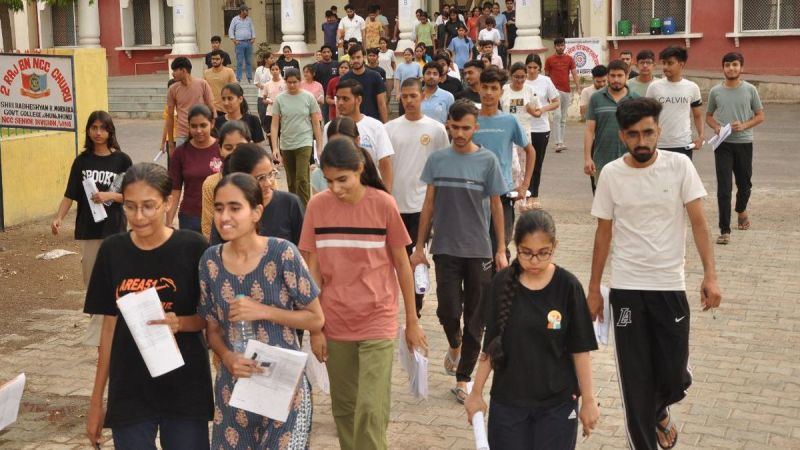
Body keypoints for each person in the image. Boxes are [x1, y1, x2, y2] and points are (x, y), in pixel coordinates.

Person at [587, 97, 722, 450]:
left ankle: (661, 408)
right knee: (634, 382)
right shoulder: (611, 174)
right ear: (622, 136)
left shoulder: (679, 167)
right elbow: (603, 233)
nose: (642, 141)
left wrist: (710, 275)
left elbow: (699, 223)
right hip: (627, 290)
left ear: (659, 131)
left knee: (675, 375)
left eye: (648, 133)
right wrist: (594, 289)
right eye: (633, 134)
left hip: (669, 286)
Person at [300, 137, 428, 450]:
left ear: (359, 169)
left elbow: (402, 265)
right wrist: (315, 329)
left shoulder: (383, 204)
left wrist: (412, 322)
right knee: (344, 408)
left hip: (377, 319)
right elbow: (312, 271)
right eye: (329, 180)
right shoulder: (317, 207)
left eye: (342, 179)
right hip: (334, 320)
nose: (335, 188)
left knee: (371, 408)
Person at [84, 162, 213, 449]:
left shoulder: (193, 247)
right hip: (130, 388)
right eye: (130, 207)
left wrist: (181, 323)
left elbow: (210, 319)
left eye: (148, 206)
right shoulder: (112, 250)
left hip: (185, 387)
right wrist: (96, 402)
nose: (138, 216)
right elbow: (108, 330)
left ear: (167, 203)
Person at [199, 172, 323, 449]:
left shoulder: (282, 253)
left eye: (235, 208)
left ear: (256, 212)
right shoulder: (210, 262)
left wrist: (263, 311)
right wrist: (227, 356)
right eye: (219, 208)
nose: (224, 217)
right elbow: (212, 330)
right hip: (235, 389)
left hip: (285, 390)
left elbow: (316, 319)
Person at [465, 210, 600, 448]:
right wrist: (476, 392)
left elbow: (580, 350)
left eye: (543, 253)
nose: (534, 261)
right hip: (508, 405)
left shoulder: (568, 287)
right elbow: (491, 346)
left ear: (555, 246)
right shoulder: (501, 283)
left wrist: (588, 400)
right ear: (516, 247)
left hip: (557, 407)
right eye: (526, 253)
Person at [410, 100, 507, 403]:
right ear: (448, 126)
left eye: (467, 128)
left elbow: (496, 206)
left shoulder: (488, 161)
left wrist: (501, 249)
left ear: (475, 128)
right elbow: (428, 205)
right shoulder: (437, 160)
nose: (461, 133)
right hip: (445, 248)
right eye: (456, 127)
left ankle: (464, 378)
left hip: (479, 250)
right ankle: (454, 345)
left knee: (476, 318)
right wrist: (419, 247)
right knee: (448, 310)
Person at [52, 111, 132, 346]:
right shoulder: (82, 161)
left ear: (110, 131)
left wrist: (110, 195)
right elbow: (70, 194)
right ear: (88, 130)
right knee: (91, 282)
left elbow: (131, 195)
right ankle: (101, 330)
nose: (98, 132)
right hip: (89, 229)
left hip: (114, 230)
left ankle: (108, 334)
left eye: (103, 128)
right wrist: (59, 217)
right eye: (94, 128)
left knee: (114, 279)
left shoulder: (122, 161)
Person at [386, 78, 450, 315]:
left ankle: (416, 306)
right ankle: (395, 304)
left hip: (423, 205)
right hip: (395, 205)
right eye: (405, 96)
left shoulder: (436, 129)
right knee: (397, 259)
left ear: (422, 96)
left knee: (416, 256)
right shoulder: (389, 129)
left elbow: (443, 165)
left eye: (413, 95)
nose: (409, 100)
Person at [472, 68, 534, 262]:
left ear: (501, 91)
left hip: (502, 193)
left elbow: (530, 151)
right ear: (478, 88)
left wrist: (524, 185)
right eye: (485, 87)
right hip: (474, 194)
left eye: (494, 88)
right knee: (475, 249)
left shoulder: (509, 121)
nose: (488, 92)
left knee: (500, 247)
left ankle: (500, 279)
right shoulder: (470, 120)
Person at [706, 52, 765, 245]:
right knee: (724, 187)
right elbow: (709, 116)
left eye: (735, 64)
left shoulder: (750, 90)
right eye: (727, 65)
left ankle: (741, 209)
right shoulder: (715, 91)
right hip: (722, 144)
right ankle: (724, 230)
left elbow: (760, 115)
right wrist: (716, 127)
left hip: (744, 143)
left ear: (741, 67)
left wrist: (745, 125)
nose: (731, 68)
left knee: (745, 184)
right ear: (722, 68)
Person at [210, 144, 305, 245]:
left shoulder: (290, 203)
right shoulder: (226, 213)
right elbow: (218, 251)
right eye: (260, 178)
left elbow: (305, 249)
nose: (268, 183)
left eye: (270, 174)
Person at [326, 79, 394, 189]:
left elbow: (385, 163)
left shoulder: (376, 126)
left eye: (345, 99)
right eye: (338, 98)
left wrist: (387, 193)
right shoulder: (329, 127)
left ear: (358, 100)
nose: (340, 103)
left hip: (371, 190)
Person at [583, 60, 637, 195]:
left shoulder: (635, 100)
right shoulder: (596, 98)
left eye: (620, 75)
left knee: (628, 199)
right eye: (612, 76)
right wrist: (587, 158)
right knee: (604, 201)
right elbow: (589, 130)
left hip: (630, 160)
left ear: (627, 76)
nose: (616, 79)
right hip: (602, 160)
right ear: (608, 76)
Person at [271, 68, 323, 206]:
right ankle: (294, 207)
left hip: (304, 142)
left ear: (300, 81)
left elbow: (316, 123)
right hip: (286, 143)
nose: (292, 85)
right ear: (285, 82)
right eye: (289, 82)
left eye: (295, 82)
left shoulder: (309, 97)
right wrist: (275, 148)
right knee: (292, 180)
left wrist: (319, 146)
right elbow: (274, 125)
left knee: (302, 178)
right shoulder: (280, 99)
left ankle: (305, 209)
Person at [166, 105, 221, 232]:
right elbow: (175, 190)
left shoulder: (222, 149)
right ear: (188, 126)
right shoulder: (180, 152)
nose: (198, 130)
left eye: (203, 125)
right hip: (190, 217)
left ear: (212, 124)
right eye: (194, 126)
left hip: (218, 215)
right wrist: (168, 223)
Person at [645, 46, 704, 160]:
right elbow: (646, 115)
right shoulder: (654, 87)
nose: (665, 67)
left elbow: (698, 115)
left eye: (670, 63)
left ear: (681, 64)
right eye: (664, 63)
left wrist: (701, 136)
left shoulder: (692, 87)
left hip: (683, 144)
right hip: (659, 144)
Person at [200, 120, 252, 239]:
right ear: (220, 149)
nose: (235, 152)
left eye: (240, 147)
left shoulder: (262, 179)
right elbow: (208, 228)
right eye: (228, 148)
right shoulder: (211, 184)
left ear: (250, 145)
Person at [501, 62, 540, 211]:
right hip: (507, 135)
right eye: (516, 77)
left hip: (524, 134)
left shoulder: (530, 90)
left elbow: (537, 113)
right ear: (511, 76)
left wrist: (531, 110)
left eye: (523, 77)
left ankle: (522, 201)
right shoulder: (503, 90)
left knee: (523, 168)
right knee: (514, 167)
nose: (520, 80)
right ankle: (510, 194)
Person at [522, 54, 560, 210]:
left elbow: (556, 102)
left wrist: (542, 109)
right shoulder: (521, 81)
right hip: (523, 128)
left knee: (537, 163)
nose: (532, 71)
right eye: (529, 67)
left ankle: (534, 195)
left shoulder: (546, 81)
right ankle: (524, 195)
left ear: (540, 68)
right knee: (523, 163)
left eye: (535, 68)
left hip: (541, 128)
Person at [166, 57, 216, 155]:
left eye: (175, 70)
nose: (173, 74)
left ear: (183, 70)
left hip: (202, 132)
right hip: (182, 134)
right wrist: (171, 144)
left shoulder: (202, 84)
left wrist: (211, 129)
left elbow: (212, 108)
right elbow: (170, 116)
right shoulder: (172, 89)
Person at [545, 37, 580, 153]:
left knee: (563, 117)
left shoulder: (569, 59)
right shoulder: (549, 60)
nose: (560, 47)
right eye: (558, 45)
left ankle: (561, 141)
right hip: (554, 91)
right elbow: (546, 76)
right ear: (554, 47)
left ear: (564, 46)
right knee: (557, 115)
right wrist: (546, 92)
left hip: (566, 90)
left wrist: (578, 87)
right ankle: (557, 143)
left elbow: (574, 73)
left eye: (562, 45)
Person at [312, 116, 361, 194]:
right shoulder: (319, 174)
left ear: (357, 141)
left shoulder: (369, 172)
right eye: (334, 144)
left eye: (345, 145)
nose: (336, 188)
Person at [340, 45, 389, 123]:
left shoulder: (375, 76)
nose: (355, 60)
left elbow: (381, 104)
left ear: (364, 57)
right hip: (351, 123)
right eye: (353, 58)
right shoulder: (344, 79)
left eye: (358, 57)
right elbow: (341, 104)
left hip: (372, 121)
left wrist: (385, 125)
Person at [228, 4, 256, 83]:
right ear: (241, 11)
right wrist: (234, 40)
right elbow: (231, 30)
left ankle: (249, 77)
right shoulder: (235, 19)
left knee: (249, 61)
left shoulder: (249, 19)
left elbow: (252, 29)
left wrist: (253, 38)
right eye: (246, 10)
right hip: (239, 43)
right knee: (239, 61)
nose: (247, 12)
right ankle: (238, 78)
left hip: (248, 42)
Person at [262, 62, 287, 144]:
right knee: (272, 136)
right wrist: (267, 101)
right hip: (271, 112)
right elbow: (264, 99)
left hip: (283, 113)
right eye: (272, 70)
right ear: (270, 71)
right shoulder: (267, 84)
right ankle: (274, 151)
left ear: (280, 70)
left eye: (276, 69)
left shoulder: (285, 83)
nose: (275, 71)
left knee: (283, 136)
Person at [314, 45, 339, 122]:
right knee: (326, 117)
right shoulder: (317, 66)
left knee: (336, 117)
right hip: (324, 96)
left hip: (335, 95)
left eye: (328, 52)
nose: (326, 54)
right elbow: (315, 81)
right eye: (324, 52)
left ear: (331, 53)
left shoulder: (337, 64)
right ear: (321, 54)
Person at [253, 54, 272, 131]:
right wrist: (261, 86)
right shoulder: (259, 69)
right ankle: (267, 132)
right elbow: (256, 82)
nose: (272, 59)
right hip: (262, 96)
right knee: (262, 115)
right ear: (266, 59)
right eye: (271, 58)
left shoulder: (274, 68)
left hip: (272, 96)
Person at [377, 37, 397, 106]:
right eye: (381, 43)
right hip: (379, 77)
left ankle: (386, 108)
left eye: (384, 43)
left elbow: (393, 63)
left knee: (388, 95)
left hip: (389, 76)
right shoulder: (377, 53)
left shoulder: (390, 52)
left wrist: (394, 73)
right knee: (381, 95)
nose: (382, 45)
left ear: (386, 44)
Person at [502, 0, 516, 64]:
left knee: (515, 53)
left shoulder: (516, 12)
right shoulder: (503, 14)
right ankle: (508, 66)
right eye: (508, 3)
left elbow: (521, 22)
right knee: (507, 54)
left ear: (513, 4)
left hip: (516, 37)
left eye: (511, 3)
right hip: (507, 37)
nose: (509, 5)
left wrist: (513, 22)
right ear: (506, 4)